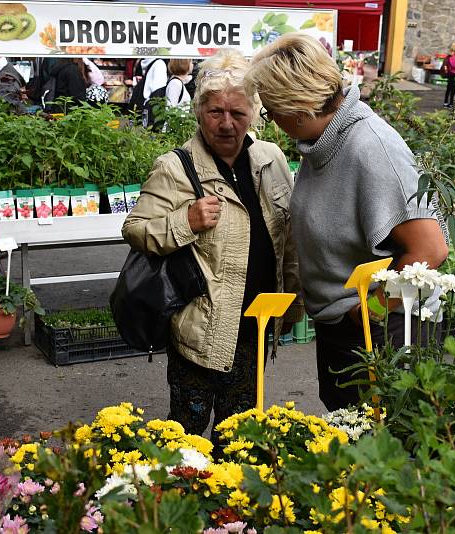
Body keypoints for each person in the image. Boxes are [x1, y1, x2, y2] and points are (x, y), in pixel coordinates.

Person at [246, 34, 448, 410]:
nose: (269, 119)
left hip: (382, 329)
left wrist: (367, 313)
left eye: (271, 110)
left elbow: (430, 249)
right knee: (348, 433)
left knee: (380, 442)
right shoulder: (324, 141)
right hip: (345, 325)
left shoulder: (370, 147)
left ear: (299, 108)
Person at [121, 49, 303, 443]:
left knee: (240, 439)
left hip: (255, 327)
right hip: (201, 332)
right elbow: (135, 228)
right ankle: (176, 501)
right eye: (215, 111)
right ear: (198, 110)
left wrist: (292, 302)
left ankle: (229, 506)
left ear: (254, 112)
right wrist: (183, 221)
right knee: (187, 438)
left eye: (238, 113)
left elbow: (286, 240)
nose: (226, 124)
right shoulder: (176, 167)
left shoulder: (270, 159)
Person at [442, 42, 455, 108]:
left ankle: (446, 102)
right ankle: (450, 103)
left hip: (450, 73)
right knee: (453, 89)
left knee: (449, 88)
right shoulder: (453, 56)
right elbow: (453, 65)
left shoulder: (450, 55)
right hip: (451, 73)